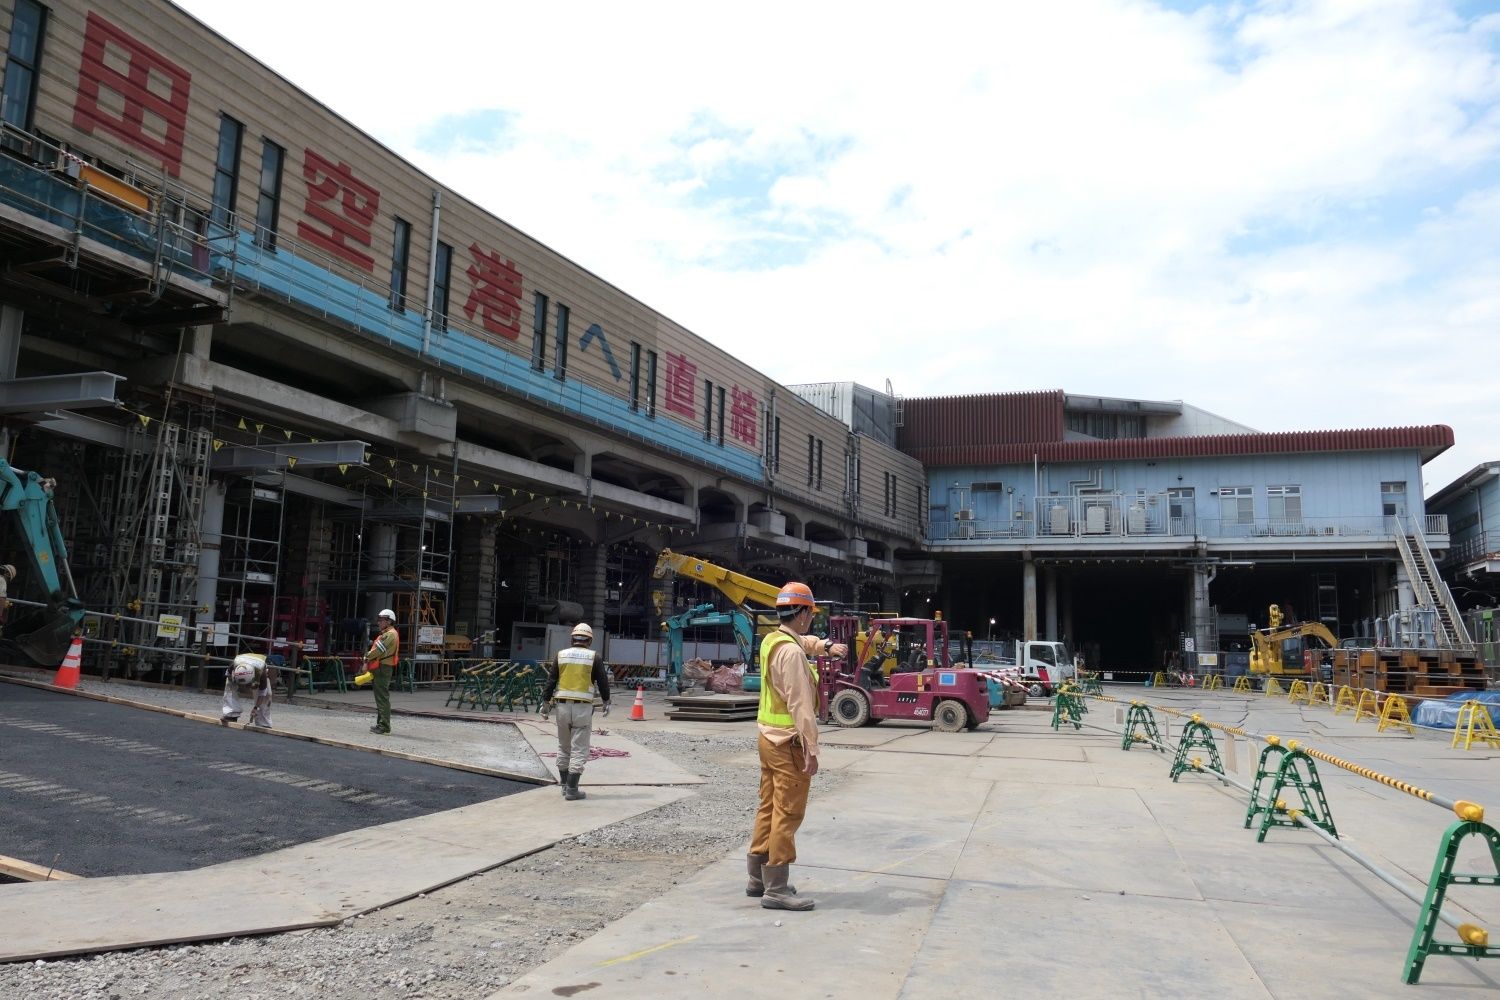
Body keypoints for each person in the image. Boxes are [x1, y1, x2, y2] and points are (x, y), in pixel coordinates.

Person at [746, 581, 847, 912]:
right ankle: (776, 889)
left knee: (769, 808)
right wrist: (812, 749)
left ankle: (758, 878)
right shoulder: (791, 654)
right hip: (789, 741)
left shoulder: (773, 641)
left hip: (767, 738)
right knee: (788, 813)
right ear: (803, 613)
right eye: (811, 613)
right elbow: (801, 705)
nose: (811, 619)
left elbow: (803, 641)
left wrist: (825, 646)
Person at [540, 622, 611, 801]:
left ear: (573, 638)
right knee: (579, 749)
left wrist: (545, 703)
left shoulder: (561, 655)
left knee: (564, 747)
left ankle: (564, 786)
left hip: (562, 708)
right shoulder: (594, 657)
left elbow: (551, 681)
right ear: (589, 640)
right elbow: (602, 681)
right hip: (582, 708)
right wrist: (606, 701)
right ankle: (572, 789)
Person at [353, 609, 399, 735]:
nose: (379, 622)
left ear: (389, 621)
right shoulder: (387, 633)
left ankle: (384, 726)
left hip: (383, 668)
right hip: (380, 667)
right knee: (380, 697)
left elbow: (378, 650)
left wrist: (366, 658)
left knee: (382, 697)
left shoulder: (390, 635)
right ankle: (381, 724)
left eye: (382, 620)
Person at [221, 651, 273, 727]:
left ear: (253, 678)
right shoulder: (232, 667)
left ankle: (263, 722)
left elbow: (262, 693)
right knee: (229, 686)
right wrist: (233, 680)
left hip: (258, 664)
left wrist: (256, 708)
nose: (246, 688)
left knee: (267, 695)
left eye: (248, 684)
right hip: (241, 663)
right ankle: (231, 714)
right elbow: (228, 676)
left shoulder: (261, 673)